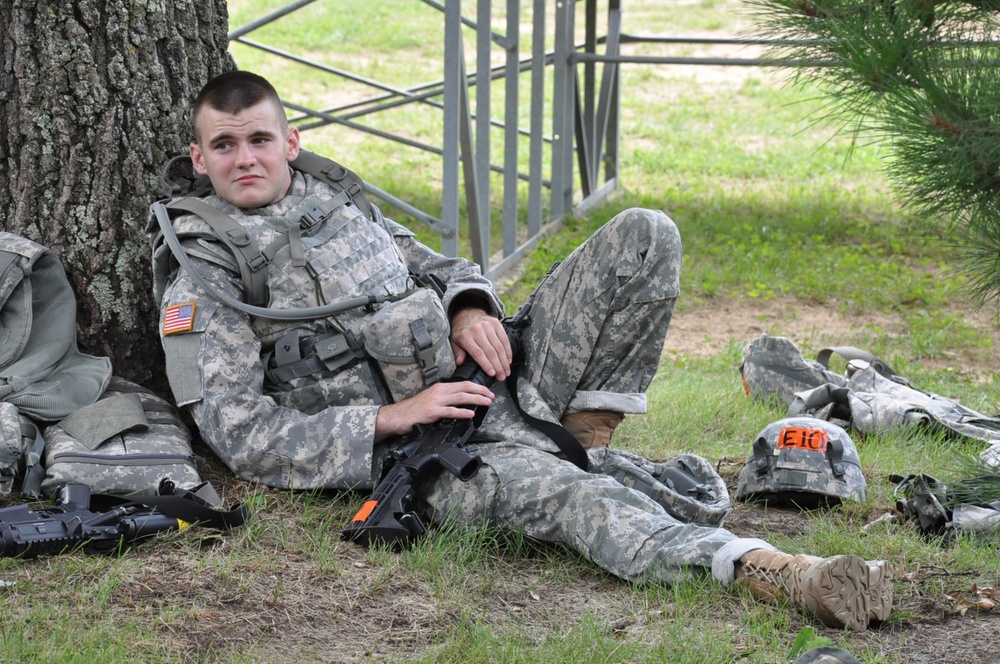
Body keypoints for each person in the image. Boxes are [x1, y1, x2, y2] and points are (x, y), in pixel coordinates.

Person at [148, 70, 892, 630]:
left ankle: (584, 436)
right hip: (428, 452)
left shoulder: (333, 199)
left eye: (259, 139)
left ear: (291, 142)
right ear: (199, 156)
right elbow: (237, 431)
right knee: (577, 496)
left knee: (644, 234)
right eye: (224, 145)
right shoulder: (205, 272)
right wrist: (394, 418)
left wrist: (470, 303)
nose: (245, 158)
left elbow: (437, 266)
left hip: (496, 379)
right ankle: (769, 570)